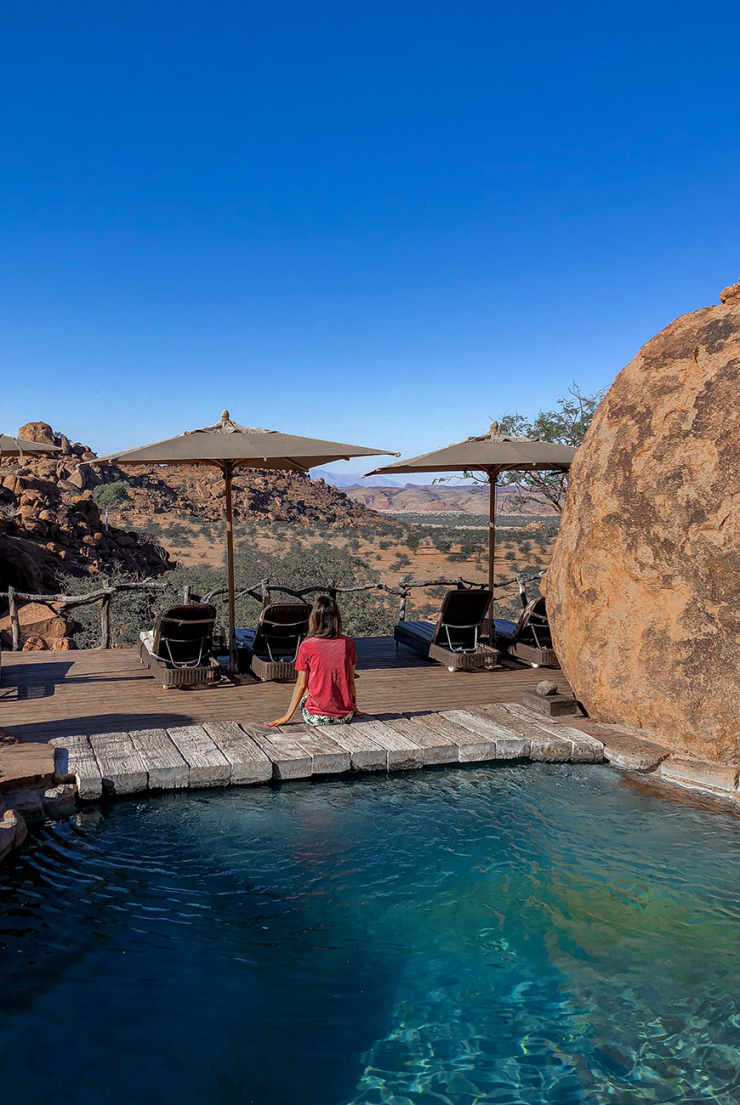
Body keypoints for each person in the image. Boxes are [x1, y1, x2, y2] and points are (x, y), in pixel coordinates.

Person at [266, 595, 359, 728]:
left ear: (314, 618)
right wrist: (354, 709)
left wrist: (286, 717)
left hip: (317, 717)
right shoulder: (349, 643)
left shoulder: (307, 645)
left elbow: (300, 685)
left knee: (308, 689)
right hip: (345, 716)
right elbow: (350, 682)